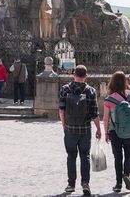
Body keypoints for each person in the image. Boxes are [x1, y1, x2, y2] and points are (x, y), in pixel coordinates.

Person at [58, 64, 101, 195]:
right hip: (85, 129)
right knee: (85, 156)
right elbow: (94, 113)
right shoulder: (90, 91)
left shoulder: (65, 89)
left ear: (74, 74)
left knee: (71, 156)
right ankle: (85, 183)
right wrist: (99, 129)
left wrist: (64, 125)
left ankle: (71, 184)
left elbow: (61, 109)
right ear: (86, 76)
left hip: (70, 128)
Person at [103, 71, 130, 194]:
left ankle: (118, 184)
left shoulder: (109, 99)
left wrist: (106, 133)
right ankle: (127, 174)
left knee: (118, 157)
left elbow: (105, 118)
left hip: (115, 131)